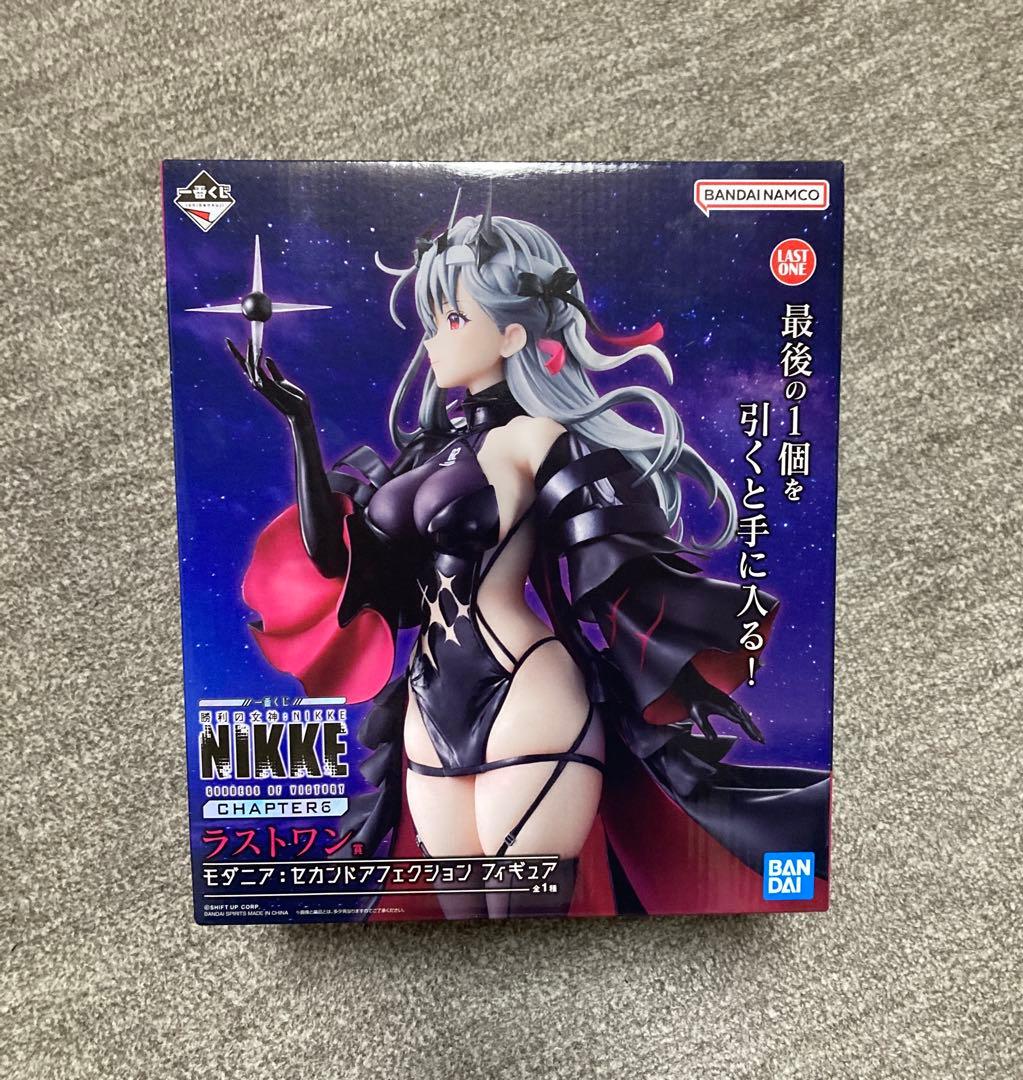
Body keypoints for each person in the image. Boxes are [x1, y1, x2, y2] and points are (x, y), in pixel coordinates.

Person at [230, 192, 830, 920]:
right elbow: (337, 559)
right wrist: (300, 423)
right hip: (427, 707)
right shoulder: (423, 457)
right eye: (431, 321)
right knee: (460, 925)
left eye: (453, 319)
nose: (432, 340)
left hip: (525, 688)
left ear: (513, 334)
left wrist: (702, 630)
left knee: (522, 917)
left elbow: (612, 559)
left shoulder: (539, 437)